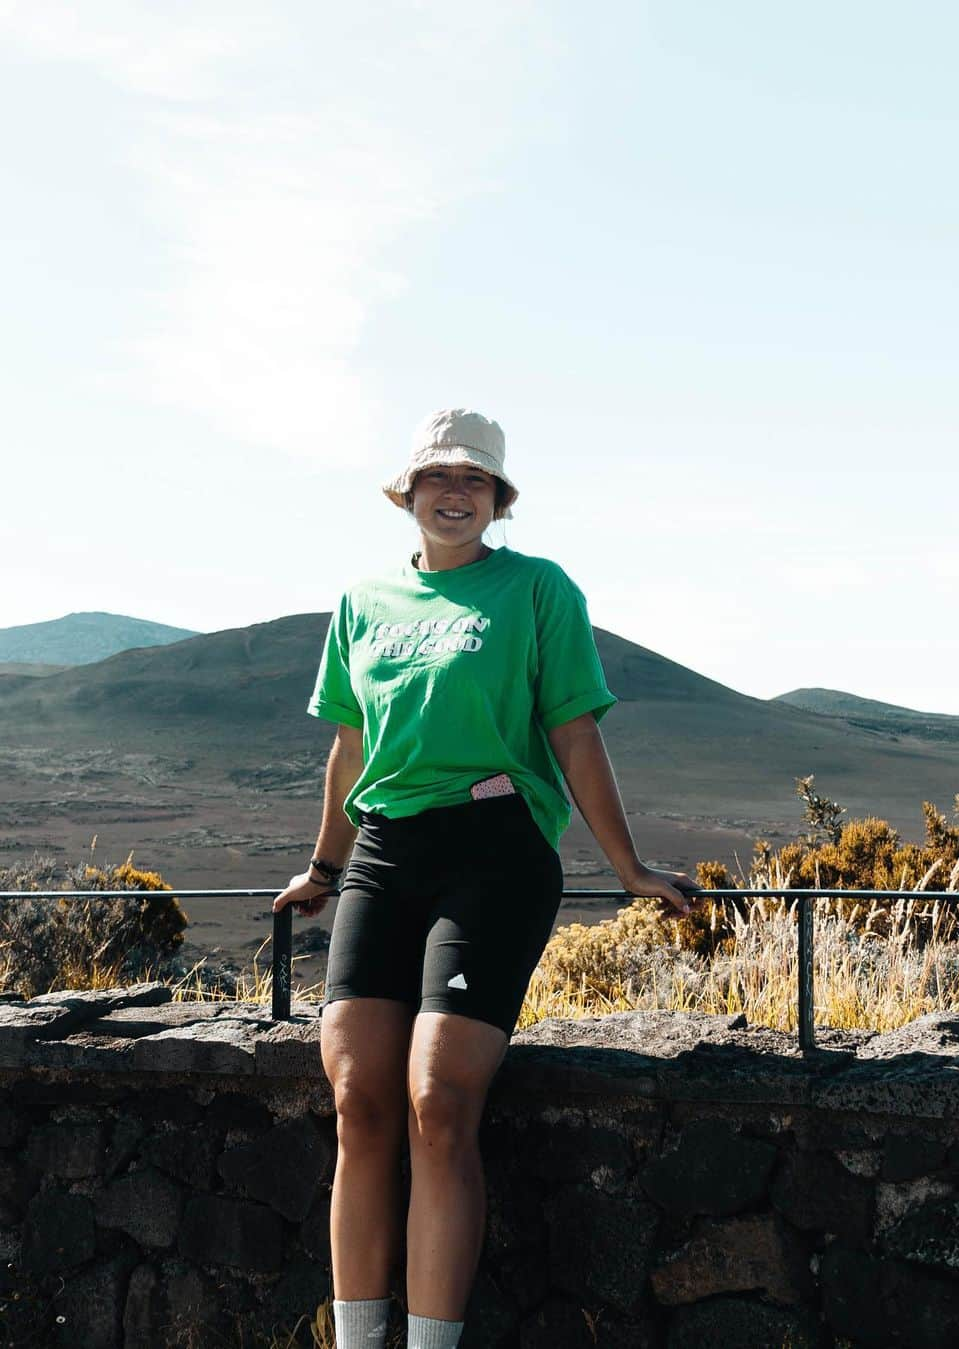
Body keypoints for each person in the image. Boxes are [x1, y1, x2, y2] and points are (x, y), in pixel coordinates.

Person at [272, 408, 698, 1349]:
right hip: (383, 851)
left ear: (498, 500)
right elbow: (351, 748)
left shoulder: (538, 590)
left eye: (475, 480)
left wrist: (625, 865)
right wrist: (323, 865)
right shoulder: (362, 603)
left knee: (437, 1099)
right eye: (438, 478)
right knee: (360, 1100)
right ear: (409, 493)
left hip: (495, 847)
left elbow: (575, 731)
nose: (455, 493)